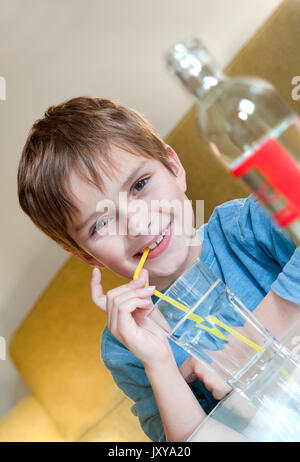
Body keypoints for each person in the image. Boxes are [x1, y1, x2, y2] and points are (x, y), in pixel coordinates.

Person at [17, 96, 300, 442]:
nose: (136, 223)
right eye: (101, 223)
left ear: (173, 166)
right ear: (84, 254)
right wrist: (160, 363)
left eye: (139, 185)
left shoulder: (246, 226)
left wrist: (244, 345)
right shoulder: (126, 346)